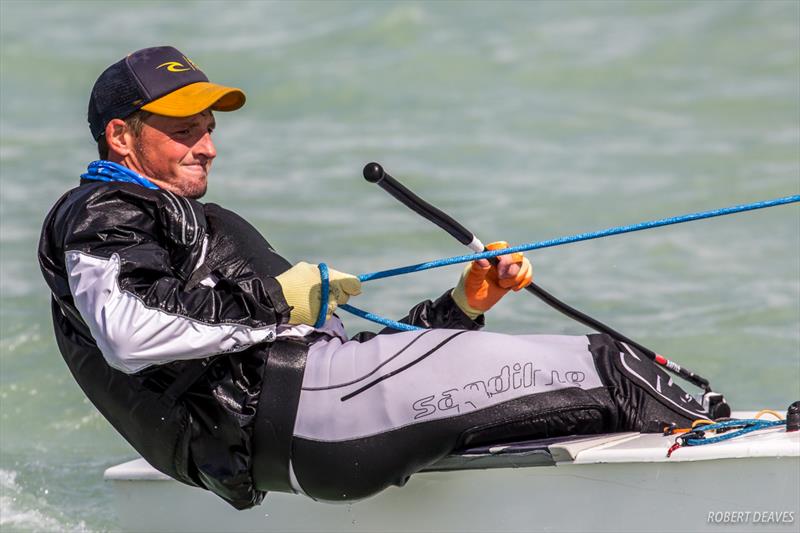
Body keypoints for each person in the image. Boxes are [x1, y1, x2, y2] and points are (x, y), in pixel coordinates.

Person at [39, 46, 720, 509]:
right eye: (184, 128)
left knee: (578, 401)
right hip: (304, 422)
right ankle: (733, 461)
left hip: (314, 422)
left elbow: (350, 362)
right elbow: (126, 331)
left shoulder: (189, 223)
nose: (208, 143)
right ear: (121, 137)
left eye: (209, 127)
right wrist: (279, 298)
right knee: (607, 368)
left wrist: (461, 306)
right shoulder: (102, 210)